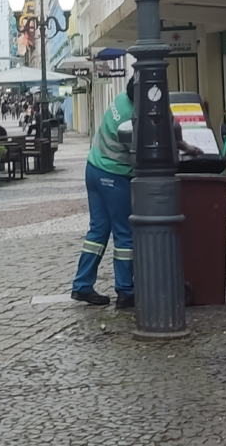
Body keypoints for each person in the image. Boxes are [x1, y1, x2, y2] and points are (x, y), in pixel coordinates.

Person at [71, 77, 137, 309]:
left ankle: (82, 284)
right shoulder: (132, 118)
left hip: (94, 169)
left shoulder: (120, 100)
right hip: (113, 175)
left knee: (98, 230)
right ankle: (126, 291)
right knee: (124, 233)